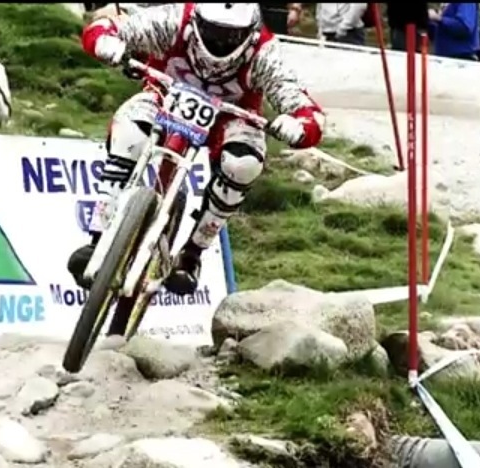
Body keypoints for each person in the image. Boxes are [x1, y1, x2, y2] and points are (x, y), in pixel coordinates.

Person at [71, 3, 325, 295]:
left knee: (243, 165)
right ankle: (99, 237)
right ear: (196, 21)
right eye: (212, 31)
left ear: (251, 33)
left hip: (231, 117)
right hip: (164, 94)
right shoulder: (173, 20)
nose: (220, 41)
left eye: (231, 36)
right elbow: (110, 26)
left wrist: (299, 125)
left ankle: (192, 254)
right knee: (129, 131)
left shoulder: (265, 53)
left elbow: (304, 106)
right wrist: (106, 42)